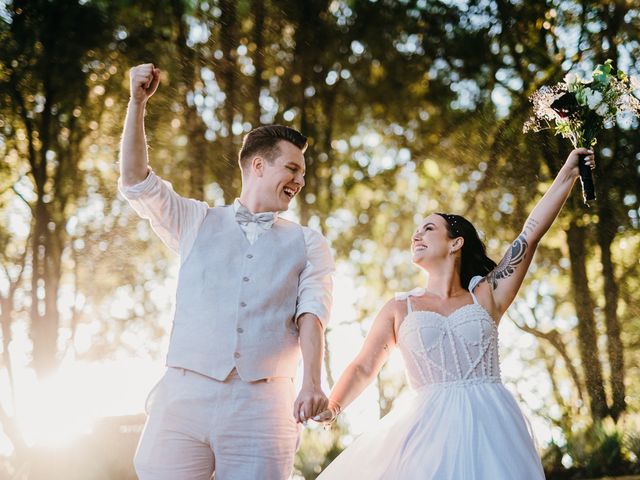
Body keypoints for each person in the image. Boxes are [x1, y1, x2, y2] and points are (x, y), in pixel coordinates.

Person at [314, 148, 596, 479]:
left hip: (493, 427)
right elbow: (363, 366)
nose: (416, 235)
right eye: (416, 231)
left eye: (428, 228)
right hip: (426, 432)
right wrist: (333, 407)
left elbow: (529, 236)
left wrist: (568, 173)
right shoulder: (399, 307)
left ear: (455, 243)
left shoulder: (487, 295)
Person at [119, 63, 334, 480]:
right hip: (183, 395)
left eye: (303, 173)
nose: (300, 180)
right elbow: (135, 180)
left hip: (265, 403)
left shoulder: (309, 242)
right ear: (257, 166)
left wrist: (312, 382)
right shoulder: (195, 220)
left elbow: (313, 314)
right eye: (292, 168)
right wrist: (137, 101)